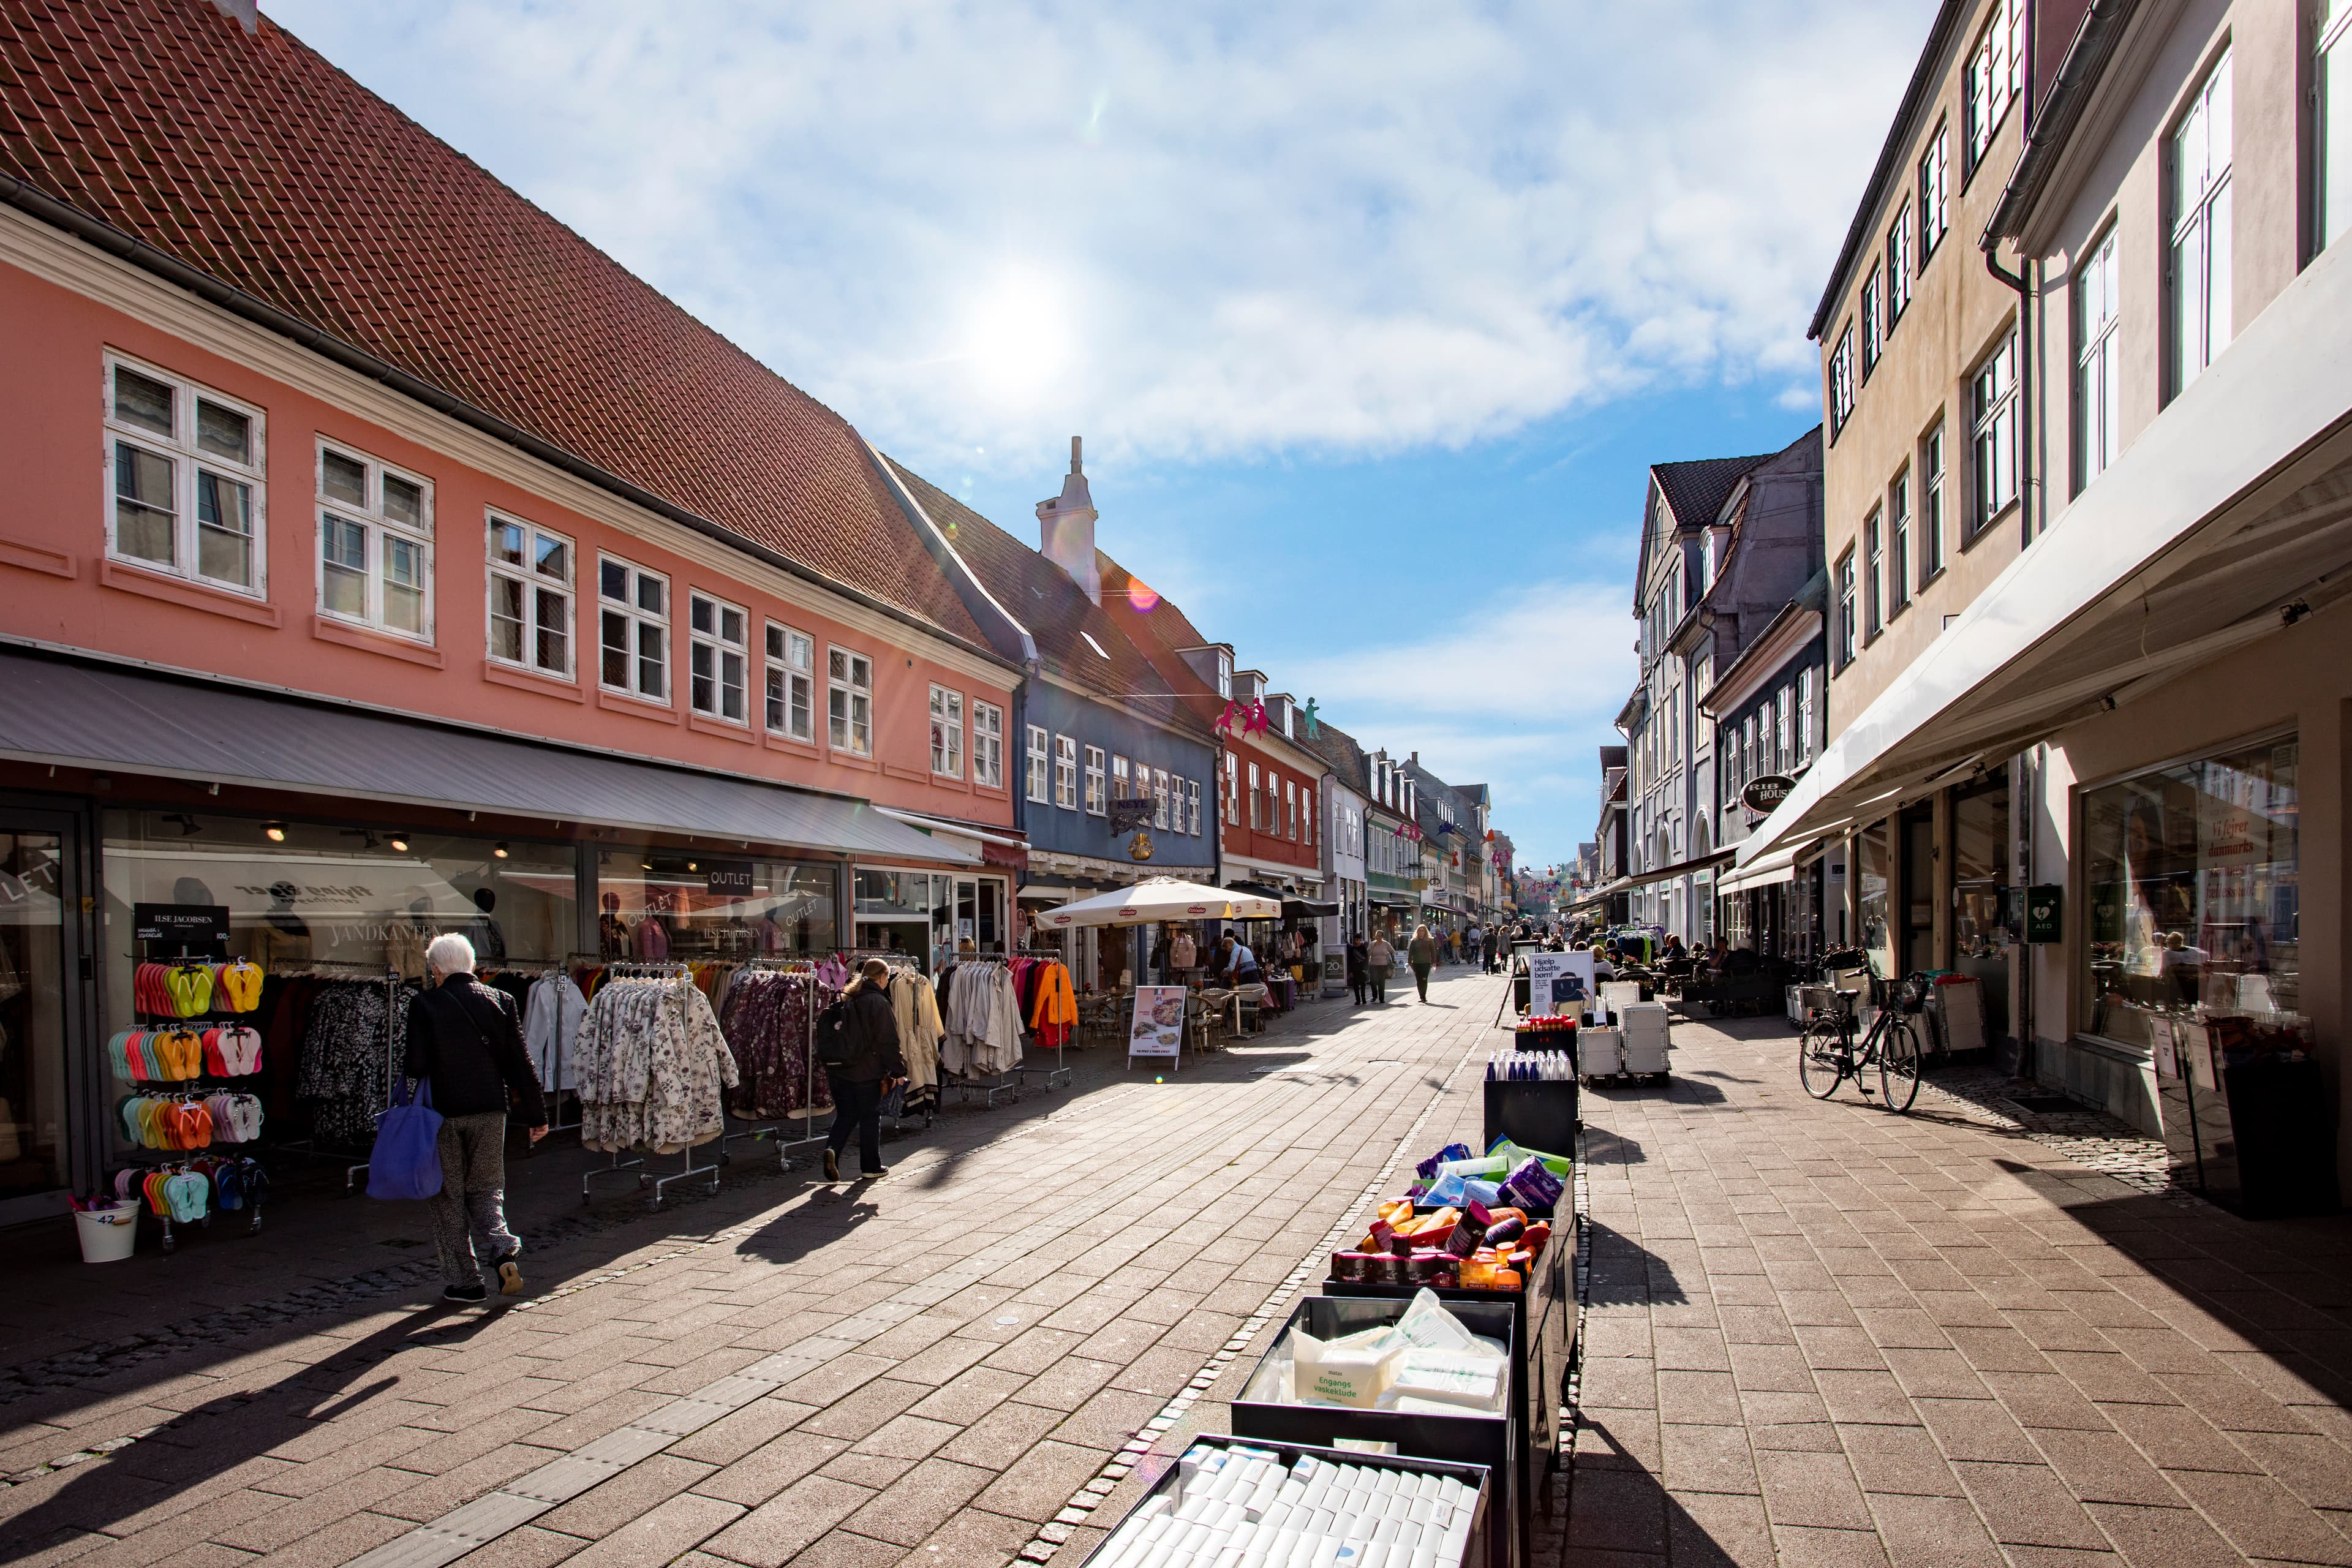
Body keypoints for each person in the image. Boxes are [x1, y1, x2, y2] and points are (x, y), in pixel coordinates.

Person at [402, 932, 547, 1305]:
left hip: (442, 1114)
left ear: (436, 969)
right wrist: (536, 1114)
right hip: (490, 1109)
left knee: (447, 1195)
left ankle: (465, 1282)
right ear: (473, 966)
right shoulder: (501, 1000)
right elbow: (520, 1062)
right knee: (486, 1188)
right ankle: (501, 1248)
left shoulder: (425, 1004)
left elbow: (415, 1065)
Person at [824, 957, 909, 1182]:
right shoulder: (877, 1002)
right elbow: (888, 1041)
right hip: (866, 1072)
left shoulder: (848, 998)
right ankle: (871, 1165)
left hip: (839, 1071)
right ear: (882, 977)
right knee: (871, 1117)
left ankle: (832, 1149)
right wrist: (898, 1070)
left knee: (846, 1114)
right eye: (887, 978)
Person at [1407, 924, 1438, 1002]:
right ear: (1418, 932)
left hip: (1426, 962)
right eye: (1420, 931)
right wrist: (1409, 962)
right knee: (1419, 980)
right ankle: (1421, 996)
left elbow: (1433, 951)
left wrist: (1434, 962)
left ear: (1425, 932)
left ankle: (1424, 996)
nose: (1421, 932)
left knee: (1424, 979)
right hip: (1416, 963)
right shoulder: (1414, 941)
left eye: (1423, 931)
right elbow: (1411, 952)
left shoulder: (1429, 940)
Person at [1366, 930, 1395, 1004]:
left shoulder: (1386, 944)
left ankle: (1382, 998)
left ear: (1382, 937)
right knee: (1373, 981)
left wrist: (1390, 958)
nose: (1378, 937)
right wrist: (1373, 947)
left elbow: (1393, 951)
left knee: (1381, 982)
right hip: (1373, 965)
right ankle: (1374, 996)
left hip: (1383, 965)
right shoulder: (1372, 944)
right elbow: (1368, 954)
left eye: (1380, 936)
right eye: (1377, 936)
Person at [1345, 933, 1370, 1005]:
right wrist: (1350, 972)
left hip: (1362, 969)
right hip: (1354, 970)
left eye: (1357, 940)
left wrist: (1366, 969)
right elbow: (1349, 961)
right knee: (1355, 986)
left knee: (1363, 985)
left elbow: (1366, 959)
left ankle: (1364, 998)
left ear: (1360, 940)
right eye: (1355, 940)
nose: (1356, 941)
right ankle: (1358, 1000)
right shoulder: (1352, 949)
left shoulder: (1363, 949)